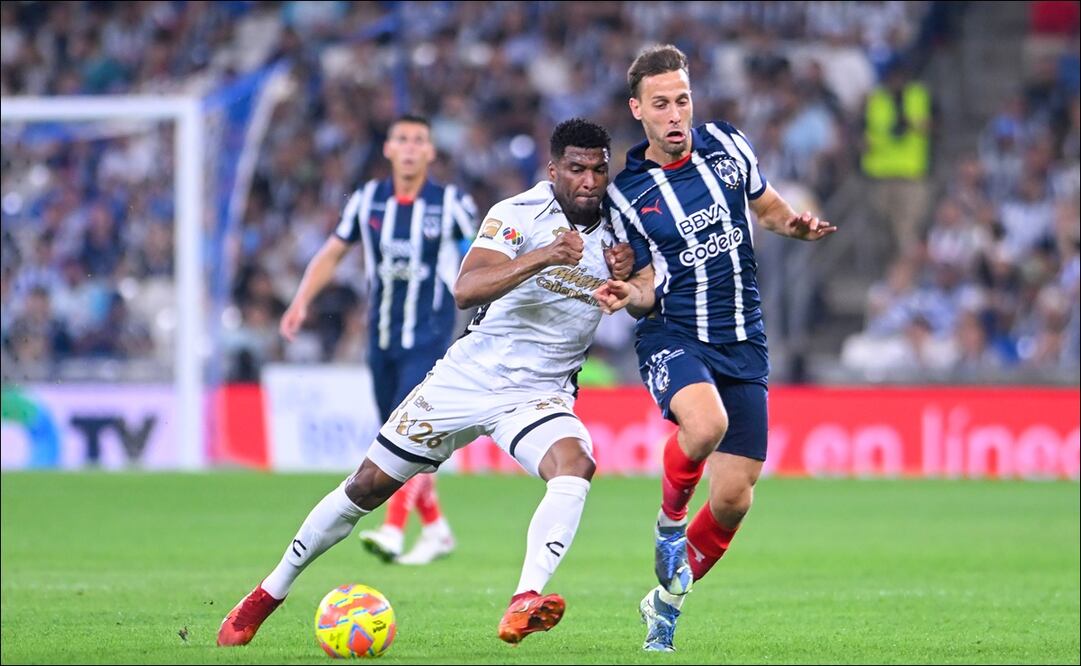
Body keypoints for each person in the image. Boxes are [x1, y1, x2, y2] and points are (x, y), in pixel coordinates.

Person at [218, 118, 637, 648]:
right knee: (365, 488)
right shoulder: (516, 214)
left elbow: (646, 290)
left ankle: (524, 599)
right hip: (467, 378)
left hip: (540, 393)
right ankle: (268, 593)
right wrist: (545, 255)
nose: (589, 181)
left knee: (576, 464)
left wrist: (634, 278)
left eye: (599, 170)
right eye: (576, 169)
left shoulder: (625, 227)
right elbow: (467, 288)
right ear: (553, 170)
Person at [598, 45, 836, 653]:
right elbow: (646, 285)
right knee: (704, 426)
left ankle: (666, 602)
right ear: (638, 111)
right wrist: (630, 292)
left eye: (682, 100)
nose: (674, 113)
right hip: (674, 333)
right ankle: (669, 526)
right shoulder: (625, 193)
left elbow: (769, 208)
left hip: (744, 339)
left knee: (733, 498)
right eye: (661, 104)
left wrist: (798, 226)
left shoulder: (728, 144)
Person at [280, 115, 476, 566]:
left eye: (419, 141)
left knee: (406, 433)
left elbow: (480, 257)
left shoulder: (451, 203)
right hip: (381, 337)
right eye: (402, 140)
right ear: (388, 149)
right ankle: (437, 530)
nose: (410, 148)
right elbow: (333, 252)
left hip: (428, 334)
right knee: (398, 434)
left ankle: (393, 528)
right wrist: (301, 301)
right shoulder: (367, 200)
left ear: (430, 151)